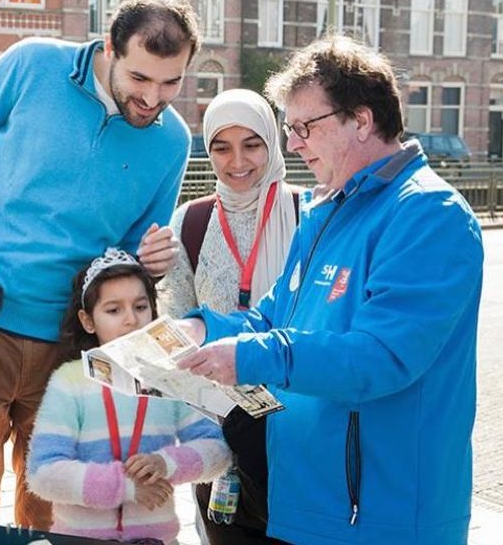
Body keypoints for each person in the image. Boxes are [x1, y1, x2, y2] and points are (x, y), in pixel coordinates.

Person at [0, 0, 200, 528]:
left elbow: (124, 259)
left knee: (54, 512)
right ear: (110, 48)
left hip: (71, 345)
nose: (154, 98)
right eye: (140, 79)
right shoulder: (31, 64)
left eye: (171, 82)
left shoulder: (174, 141)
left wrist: (148, 262)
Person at [176, 35, 484, 544]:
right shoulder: (326, 211)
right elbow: (274, 319)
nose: (293, 144)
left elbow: (381, 357)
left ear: (361, 120)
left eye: (303, 127)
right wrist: (198, 327)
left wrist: (251, 357)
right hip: (308, 502)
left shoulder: (429, 213)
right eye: (289, 129)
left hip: (382, 515)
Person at [159, 89, 300, 544]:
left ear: (272, 144)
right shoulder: (191, 222)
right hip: (216, 427)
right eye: (221, 146)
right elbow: (177, 322)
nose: (237, 160)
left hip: (296, 425)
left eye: (252, 144)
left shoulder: (310, 214)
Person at [26, 248, 231, 542]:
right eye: (113, 310)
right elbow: (43, 473)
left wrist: (165, 463)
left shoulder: (174, 377)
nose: (130, 320)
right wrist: (126, 486)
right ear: (87, 320)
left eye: (140, 307)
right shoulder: (68, 381)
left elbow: (217, 452)